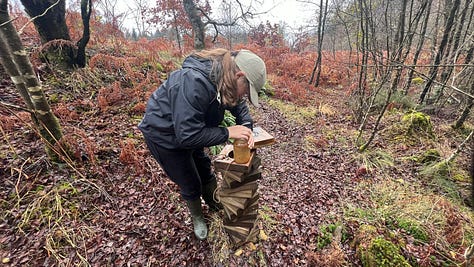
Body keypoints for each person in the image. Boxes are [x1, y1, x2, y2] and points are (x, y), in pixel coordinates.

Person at [138, 48, 267, 240]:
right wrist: (227, 132)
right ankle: (198, 217)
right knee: (189, 180)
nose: (245, 97)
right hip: (164, 135)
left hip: (193, 128)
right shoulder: (194, 82)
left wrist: (246, 127)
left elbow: (239, 105)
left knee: (204, 167)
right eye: (247, 91)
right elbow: (187, 136)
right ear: (239, 75)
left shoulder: (225, 77)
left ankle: (214, 204)